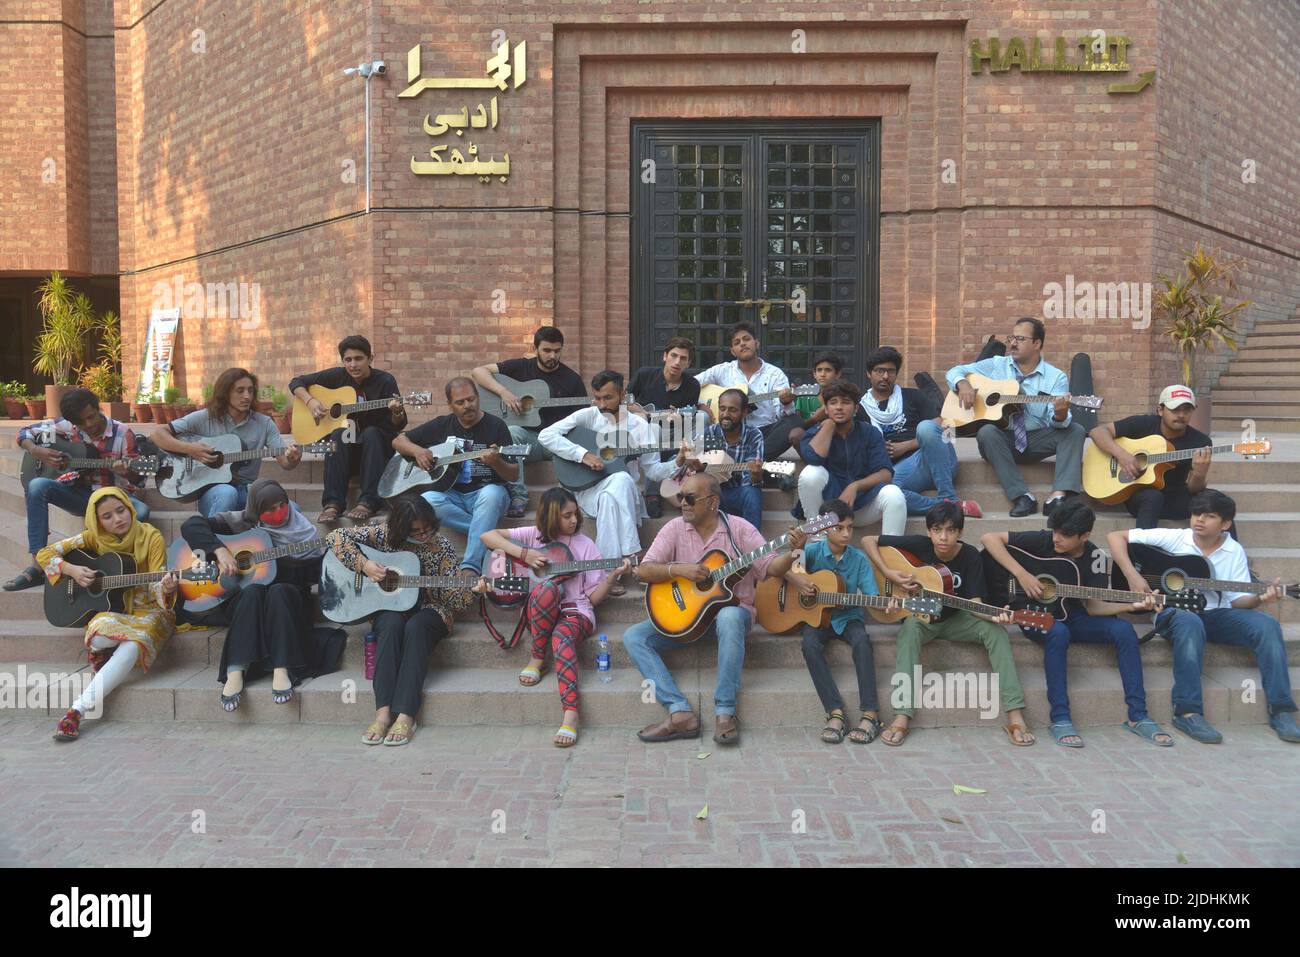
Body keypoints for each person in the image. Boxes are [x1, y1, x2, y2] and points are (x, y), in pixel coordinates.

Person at [626, 472, 807, 747]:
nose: (682, 504)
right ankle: (679, 711)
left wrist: (793, 553)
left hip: (732, 620)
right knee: (634, 637)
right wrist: (679, 570)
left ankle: (725, 712)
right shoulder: (674, 528)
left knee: (730, 614)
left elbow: (770, 567)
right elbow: (643, 571)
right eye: (680, 497)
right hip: (688, 619)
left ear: (712, 502)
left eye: (689, 498)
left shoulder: (740, 529)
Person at [1108, 489, 1298, 745]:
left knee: (1267, 625)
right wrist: (1133, 575)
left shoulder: (1234, 551)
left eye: (1209, 516)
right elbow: (1115, 536)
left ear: (1226, 523)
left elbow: (1237, 601)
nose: (1199, 520)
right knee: (1190, 621)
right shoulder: (1177, 539)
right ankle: (1187, 712)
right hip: (1173, 612)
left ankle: (1282, 710)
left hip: (1216, 615)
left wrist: (1260, 598)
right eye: (1197, 513)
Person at [981, 500, 1172, 748]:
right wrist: (1022, 575)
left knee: (1124, 629)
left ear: (1085, 535)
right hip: (1031, 613)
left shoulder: (1095, 559)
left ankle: (1138, 716)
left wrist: (1129, 606)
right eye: (1056, 531)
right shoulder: (1045, 540)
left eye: (1066, 535)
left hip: (1074, 616)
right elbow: (988, 538)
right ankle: (1060, 717)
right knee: (1058, 632)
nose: (1057, 539)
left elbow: (1093, 607)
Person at [862, 501, 1033, 747]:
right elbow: (869, 540)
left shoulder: (970, 556)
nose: (943, 537)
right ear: (929, 531)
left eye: (951, 530)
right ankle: (902, 715)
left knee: (995, 632)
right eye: (937, 530)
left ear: (960, 532)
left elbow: (975, 603)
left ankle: (1015, 715)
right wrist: (889, 572)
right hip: (923, 619)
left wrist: (996, 616)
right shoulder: (920, 545)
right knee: (909, 630)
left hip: (958, 618)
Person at [476, 488, 631, 748]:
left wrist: (612, 576)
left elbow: (591, 600)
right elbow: (487, 535)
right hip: (540, 610)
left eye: (575, 515)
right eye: (566, 516)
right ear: (550, 517)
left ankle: (570, 714)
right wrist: (525, 554)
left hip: (575, 611)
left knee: (561, 637)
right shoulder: (533, 536)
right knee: (547, 589)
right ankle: (538, 657)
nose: (573, 521)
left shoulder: (587, 546)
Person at [326, 494, 474, 747]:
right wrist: (365, 565)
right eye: (416, 531)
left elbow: (459, 603)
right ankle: (382, 713)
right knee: (392, 625)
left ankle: (406, 714)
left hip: (431, 609)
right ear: (400, 528)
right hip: (389, 606)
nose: (424, 535)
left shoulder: (442, 547)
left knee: (416, 627)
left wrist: (469, 588)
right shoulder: (382, 534)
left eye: (428, 529)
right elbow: (334, 537)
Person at [179, 479, 328, 711]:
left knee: (279, 590)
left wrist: (289, 563)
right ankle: (235, 671)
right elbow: (191, 525)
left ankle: (283, 668)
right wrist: (220, 551)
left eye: (282, 505)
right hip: (247, 599)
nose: (278, 513)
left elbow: (313, 575)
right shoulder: (240, 523)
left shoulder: (304, 533)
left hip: (287, 601)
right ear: (256, 511)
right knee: (253, 592)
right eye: (269, 509)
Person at [47, 488, 179, 741]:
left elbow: (158, 580)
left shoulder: (150, 536)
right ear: (97, 521)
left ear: (130, 508)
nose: (117, 519)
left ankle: (77, 710)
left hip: (150, 610)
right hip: (116, 609)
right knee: (98, 636)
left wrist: (167, 586)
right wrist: (72, 570)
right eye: (107, 516)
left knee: (132, 645)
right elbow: (46, 554)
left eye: (121, 511)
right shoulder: (92, 538)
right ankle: (100, 652)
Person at [539, 370, 676, 597]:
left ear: (622, 395)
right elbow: (546, 436)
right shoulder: (588, 416)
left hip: (626, 492)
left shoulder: (641, 428)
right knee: (609, 495)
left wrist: (677, 463)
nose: (601, 404)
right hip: (588, 489)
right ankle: (633, 556)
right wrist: (582, 454)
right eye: (598, 397)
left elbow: (654, 471)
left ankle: (608, 572)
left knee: (619, 482)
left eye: (608, 398)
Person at [5, 388, 152, 592]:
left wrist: (127, 471)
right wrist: (37, 451)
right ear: (73, 422)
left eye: (92, 416)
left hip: (111, 499)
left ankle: (108, 564)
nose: (89, 424)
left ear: (98, 407)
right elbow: (25, 433)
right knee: (37, 485)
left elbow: (139, 480)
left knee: (141, 512)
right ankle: (39, 565)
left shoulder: (122, 432)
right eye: (81, 422)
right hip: (80, 497)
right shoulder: (66, 427)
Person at [776, 499, 893, 745]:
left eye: (850, 527)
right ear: (822, 528)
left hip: (849, 617)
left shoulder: (859, 559)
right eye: (839, 528)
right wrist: (799, 576)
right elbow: (779, 569)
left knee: (862, 641)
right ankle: (835, 712)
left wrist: (886, 604)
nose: (847, 533)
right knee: (809, 645)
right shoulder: (812, 552)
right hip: (816, 618)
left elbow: (872, 596)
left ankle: (870, 714)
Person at [946, 317, 1085, 517]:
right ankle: (1021, 496)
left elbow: (1060, 423)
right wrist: (963, 384)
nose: (1012, 343)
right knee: (986, 432)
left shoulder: (1056, 378)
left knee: (1075, 430)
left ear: (1037, 344)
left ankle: (1058, 495)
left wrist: (1060, 414)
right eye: (1012, 337)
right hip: (1003, 440)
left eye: (1020, 339)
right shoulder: (997, 365)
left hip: (1037, 439)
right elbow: (955, 371)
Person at [394, 377, 516, 575]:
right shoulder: (442, 425)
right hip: (453, 496)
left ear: (478, 398)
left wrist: (496, 462)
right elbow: (398, 441)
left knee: (492, 494)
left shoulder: (496, 426)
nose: (468, 405)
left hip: (487, 494)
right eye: (460, 402)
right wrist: (418, 451)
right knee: (427, 501)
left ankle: (470, 567)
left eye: (471, 399)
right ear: (450, 405)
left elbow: (513, 474)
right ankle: (486, 533)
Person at [150, 367, 301, 518]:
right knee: (227, 493)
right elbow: (157, 434)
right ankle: (212, 540)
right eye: (240, 391)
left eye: (250, 390)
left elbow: (285, 462)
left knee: (292, 510)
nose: (247, 396)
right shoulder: (205, 417)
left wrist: (292, 459)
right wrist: (190, 449)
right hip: (214, 491)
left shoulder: (264, 423)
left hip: (246, 490)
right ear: (225, 393)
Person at [289, 334, 408, 523]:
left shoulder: (385, 381)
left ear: (370, 358)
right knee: (339, 433)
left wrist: (397, 412)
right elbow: (296, 382)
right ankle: (333, 504)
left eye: (359, 358)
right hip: (347, 453)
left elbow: (399, 424)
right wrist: (310, 401)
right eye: (348, 359)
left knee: (371, 432)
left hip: (376, 451)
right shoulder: (338, 376)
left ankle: (368, 502)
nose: (353, 365)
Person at [472, 326, 587, 518]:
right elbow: (478, 372)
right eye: (547, 350)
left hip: (557, 442)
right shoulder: (521, 367)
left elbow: (583, 417)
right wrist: (504, 393)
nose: (552, 356)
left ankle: (564, 502)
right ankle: (519, 496)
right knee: (513, 431)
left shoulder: (572, 379)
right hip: (529, 441)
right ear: (536, 349)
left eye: (557, 351)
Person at [862, 346, 981, 518]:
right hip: (898, 470)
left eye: (891, 371)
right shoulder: (860, 408)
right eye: (879, 371)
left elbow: (946, 429)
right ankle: (949, 508)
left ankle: (948, 495)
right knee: (886, 492)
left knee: (926, 427)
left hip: (934, 459)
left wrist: (906, 445)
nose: (885, 376)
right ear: (868, 373)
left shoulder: (912, 396)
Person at [1089, 384, 1213, 529]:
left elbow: (1193, 489)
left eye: (1187, 410)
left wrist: (1199, 474)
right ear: (1160, 410)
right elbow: (1097, 432)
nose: (1181, 415)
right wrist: (1122, 455)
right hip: (1139, 493)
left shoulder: (1201, 442)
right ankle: (1141, 547)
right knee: (1152, 497)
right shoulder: (1144, 424)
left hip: (1175, 496)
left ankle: (1229, 550)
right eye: (1175, 409)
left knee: (1217, 502)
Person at [797, 379, 906, 534]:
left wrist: (855, 486)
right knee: (811, 473)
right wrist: (829, 425)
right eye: (833, 403)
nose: (839, 407)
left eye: (846, 402)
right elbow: (815, 459)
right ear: (826, 409)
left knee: (894, 494)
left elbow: (886, 473)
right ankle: (817, 540)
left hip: (862, 506)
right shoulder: (813, 434)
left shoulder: (870, 433)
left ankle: (892, 553)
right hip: (828, 513)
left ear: (856, 408)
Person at [695, 321, 799, 462]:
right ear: (733, 351)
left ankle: (747, 461)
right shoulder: (722, 370)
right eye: (737, 342)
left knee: (794, 421)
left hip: (764, 432)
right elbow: (692, 385)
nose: (742, 344)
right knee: (702, 422)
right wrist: (701, 405)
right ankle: (752, 462)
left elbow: (783, 414)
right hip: (729, 432)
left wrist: (786, 402)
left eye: (746, 339)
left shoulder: (775, 374)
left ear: (756, 343)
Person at [628, 336, 702, 518]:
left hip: (673, 434)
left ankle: (686, 481)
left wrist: (679, 418)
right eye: (674, 356)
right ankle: (653, 492)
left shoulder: (692, 385)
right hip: (642, 434)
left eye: (683, 359)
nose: (677, 362)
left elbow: (688, 417)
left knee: (699, 421)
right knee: (653, 429)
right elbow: (624, 401)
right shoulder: (644, 375)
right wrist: (639, 412)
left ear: (688, 363)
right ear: (665, 356)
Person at [679, 388, 764, 530]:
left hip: (738, 492)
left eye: (732, 410)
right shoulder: (710, 432)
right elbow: (685, 460)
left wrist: (756, 475)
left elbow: (751, 481)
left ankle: (754, 546)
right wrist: (694, 465)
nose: (725, 415)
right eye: (722, 409)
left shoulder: (753, 435)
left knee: (751, 493)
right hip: (709, 495)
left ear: (744, 413)